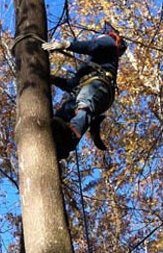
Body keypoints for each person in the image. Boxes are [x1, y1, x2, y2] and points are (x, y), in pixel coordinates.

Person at [42, 29, 127, 160]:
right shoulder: (92, 65)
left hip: (98, 86)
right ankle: (60, 147)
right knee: (65, 111)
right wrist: (52, 79)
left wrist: (66, 45)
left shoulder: (109, 42)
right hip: (91, 89)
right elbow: (71, 84)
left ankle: (72, 133)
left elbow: (92, 46)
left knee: (83, 104)